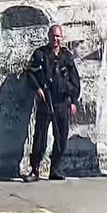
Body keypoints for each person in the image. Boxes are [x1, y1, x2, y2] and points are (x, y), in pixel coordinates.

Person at [23, 25, 81, 182]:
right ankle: (35, 170)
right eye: (54, 36)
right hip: (45, 102)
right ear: (49, 36)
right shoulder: (40, 54)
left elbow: (75, 80)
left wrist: (74, 101)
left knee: (61, 138)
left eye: (59, 36)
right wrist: (37, 89)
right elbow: (29, 73)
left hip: (62, 103)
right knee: (40, 137)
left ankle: (55, 169)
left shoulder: (66, 57)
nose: (56, 39)